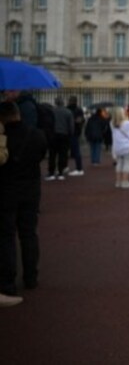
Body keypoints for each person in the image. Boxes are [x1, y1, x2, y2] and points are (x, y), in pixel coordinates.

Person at [0, 101, 48, 305]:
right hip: (31, 190)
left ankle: (7, 282)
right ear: (18, 114)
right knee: (29, 234)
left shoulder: (3, 138)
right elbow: (41, 156)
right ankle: (31, 277)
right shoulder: (37, 134)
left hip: (6, 190)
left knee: (6, 236)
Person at [45, 97, 73, 181]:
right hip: (64, 135)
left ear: (55, 103)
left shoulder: (52, 111)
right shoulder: (68, 112)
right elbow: (71, 126)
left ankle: (51, 172)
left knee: (52, 155)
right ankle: (60, 172)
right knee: (62, 154)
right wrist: (70, 134)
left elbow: (48, 123)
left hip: (53, 135)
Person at [110, 106, 129, 189]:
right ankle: (125, 182)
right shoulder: (126, 123)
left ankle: (118, 181)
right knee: (127, 163)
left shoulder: (112, 123)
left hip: (117, 147)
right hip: (127, 147)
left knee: (119, 163)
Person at [66, 96, 85, 176]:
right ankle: (78, 168)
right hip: (76, 132)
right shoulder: (78, 110)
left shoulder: (67, 109)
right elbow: (81, 120)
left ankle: (76, 168)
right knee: (75, 150)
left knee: (65, 150)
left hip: (67, 132)